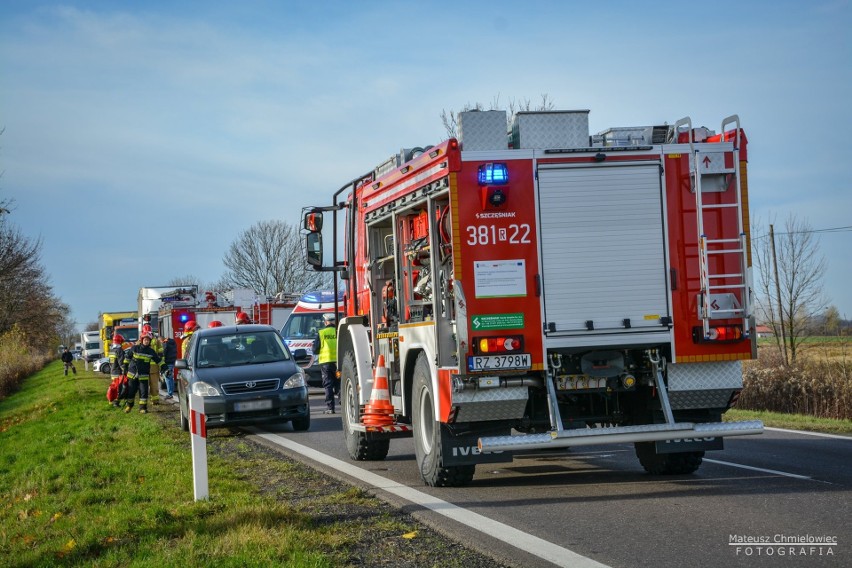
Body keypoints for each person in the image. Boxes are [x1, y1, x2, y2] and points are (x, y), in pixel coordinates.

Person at [121, 331, 164, 414]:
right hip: (132, 375)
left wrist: (164, 367)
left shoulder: (151, 351)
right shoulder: (135, 348)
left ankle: (142, 408)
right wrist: (125, 367)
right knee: (131, 392)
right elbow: (127, 358)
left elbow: (158, 361)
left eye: (148, 340)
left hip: (143, 376)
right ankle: (129, 406)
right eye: (145, 340)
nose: (146, 341)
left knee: (143, 393)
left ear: (150, 341)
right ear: (142, 340)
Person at [315, 312, 338, 414]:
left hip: (326, 363)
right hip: (338, 363)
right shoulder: (338, 331)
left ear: (326, 322)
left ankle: (330, 408)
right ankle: (345, 405)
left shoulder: (321, 333)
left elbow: (315, 349)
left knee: (328, 385)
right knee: (339, 384)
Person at [109, 333, 126, 408]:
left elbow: (110, 362)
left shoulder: (112, 350)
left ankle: (111, 400)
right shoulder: (119, 350)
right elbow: (121, 362)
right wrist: (125, 370)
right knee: (119, 388)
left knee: (114, 387)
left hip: (113, 372)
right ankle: (116, 402)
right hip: (118, 373)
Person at [161, 333, 177, 400]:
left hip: (167, 363)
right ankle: (171, 392)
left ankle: (169, 393)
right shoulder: (173, 343)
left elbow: (163, 354)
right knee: (170, 378)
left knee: (167, 378)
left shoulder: (165, 344)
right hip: (172, 362)